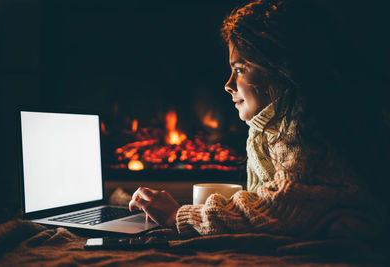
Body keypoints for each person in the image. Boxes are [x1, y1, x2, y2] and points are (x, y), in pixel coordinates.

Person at [129, 0, 389, 242]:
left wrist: (180, 216)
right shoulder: (271, 124)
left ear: (280, 69)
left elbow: (279, 205)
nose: (228, 85)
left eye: (240, 69)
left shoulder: (305, 124)